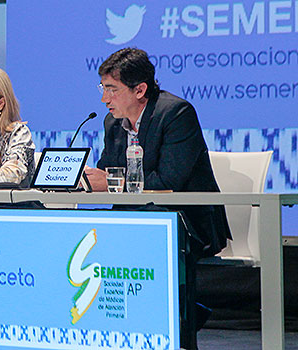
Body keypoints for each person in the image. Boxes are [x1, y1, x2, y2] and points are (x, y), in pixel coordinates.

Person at [83, 47, 230, 350]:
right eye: (103, 88)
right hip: (137, 220)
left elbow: (168, 182)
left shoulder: (176, 113)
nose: (104, 99)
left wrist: (112, 183)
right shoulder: (112, 123)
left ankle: (181, 323)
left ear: (140, 89)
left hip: (186, 222)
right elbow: (107, 171)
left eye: (111, 89)